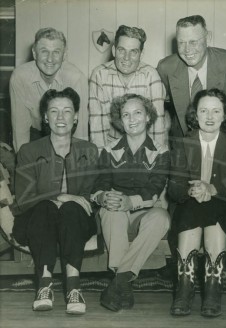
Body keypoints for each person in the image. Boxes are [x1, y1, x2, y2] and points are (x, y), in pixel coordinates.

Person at [168, 88, 226, 318]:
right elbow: (175, 187)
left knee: (214, 212)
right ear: (194, 115)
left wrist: (212, 188)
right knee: (191, 211)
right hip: (191, 203)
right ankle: (185, 289)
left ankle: (212, 289)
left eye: (216, 111)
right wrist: (192, 189)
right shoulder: (182, 143)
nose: (209, 116)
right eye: (203, 111)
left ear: (224, 115)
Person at [12, 87, 99, 315]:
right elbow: (23, 199)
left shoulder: (89, 150)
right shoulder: (29, 151)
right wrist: (62, 196)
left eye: (67, 111)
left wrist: (71, 201)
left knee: (70, 208)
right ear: (45, 117)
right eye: (54, 111)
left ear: (76, 116)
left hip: (76, 221)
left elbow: (91, 198)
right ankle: (45, 285)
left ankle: (73, 288)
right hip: (36, 220)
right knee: (47, 207)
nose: (61, 118)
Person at [91, 94, 170, 311]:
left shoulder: (161, 152)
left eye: (137, 113)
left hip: (144, 210)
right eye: (126, 114)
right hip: (116, 211)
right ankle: (124, 284)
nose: (132, 119)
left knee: (161, 218)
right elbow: (99, 184)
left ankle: (119, 281)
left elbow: (155, 189)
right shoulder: (109, 150)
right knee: (112, 208)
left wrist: (131, 202)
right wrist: (103, 196)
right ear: (120, 120)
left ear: (147, 117)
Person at [157, 15, 226, 155]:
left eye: (193, 42)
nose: (187, 50)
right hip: (186, 144)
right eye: (181, 42)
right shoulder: (166, 68)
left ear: (208, 37)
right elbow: (167, 100)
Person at [89, 25, 167, 152]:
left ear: (141, 55)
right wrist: (102, 160)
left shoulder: (151, 76)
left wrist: (156, 159)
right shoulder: (99, 75)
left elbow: (157, 127)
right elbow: (97, 127)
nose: (126, 58)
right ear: (114, 51)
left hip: (144, 148)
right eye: (121, 50)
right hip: (112, 148)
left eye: (133, 52)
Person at [10, 27, 89, 152]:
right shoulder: (20, 77)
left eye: (56, 52)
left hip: (66, 136)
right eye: (44, 51)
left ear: (64, 55)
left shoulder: (76, 79)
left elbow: (80, 132)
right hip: (36, 135)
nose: (50, 59)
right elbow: (20, 133)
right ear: (34, 53)